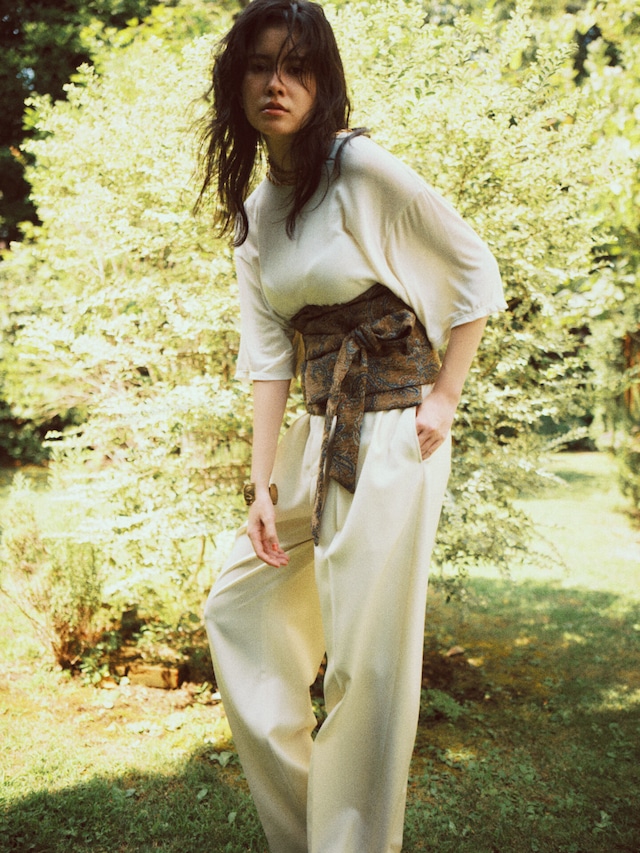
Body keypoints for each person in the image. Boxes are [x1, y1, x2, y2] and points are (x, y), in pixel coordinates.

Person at [198, 1, 506, 850]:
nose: (276, 83)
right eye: (260, 65)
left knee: (368, 666)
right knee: (237, 608)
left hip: (397, 432)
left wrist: (445, 396)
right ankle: (317, 833)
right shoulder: (257, 213)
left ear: (322, 80)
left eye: (296, 66)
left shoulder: (360, 168)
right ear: (237, 81)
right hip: (317, 435)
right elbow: (269, 361)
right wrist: (262, 487)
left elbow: (475, 270)